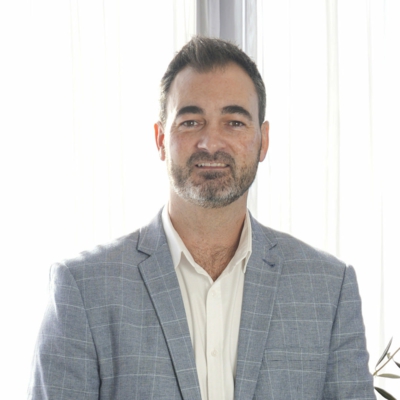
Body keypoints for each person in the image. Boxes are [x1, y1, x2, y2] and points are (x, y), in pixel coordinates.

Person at [28, 36, 376, 400]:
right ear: (160, 139)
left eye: (234, 122)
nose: (211, 143)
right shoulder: (83, 289)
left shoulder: (328, 289)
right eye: (191, 121)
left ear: (263, 140)